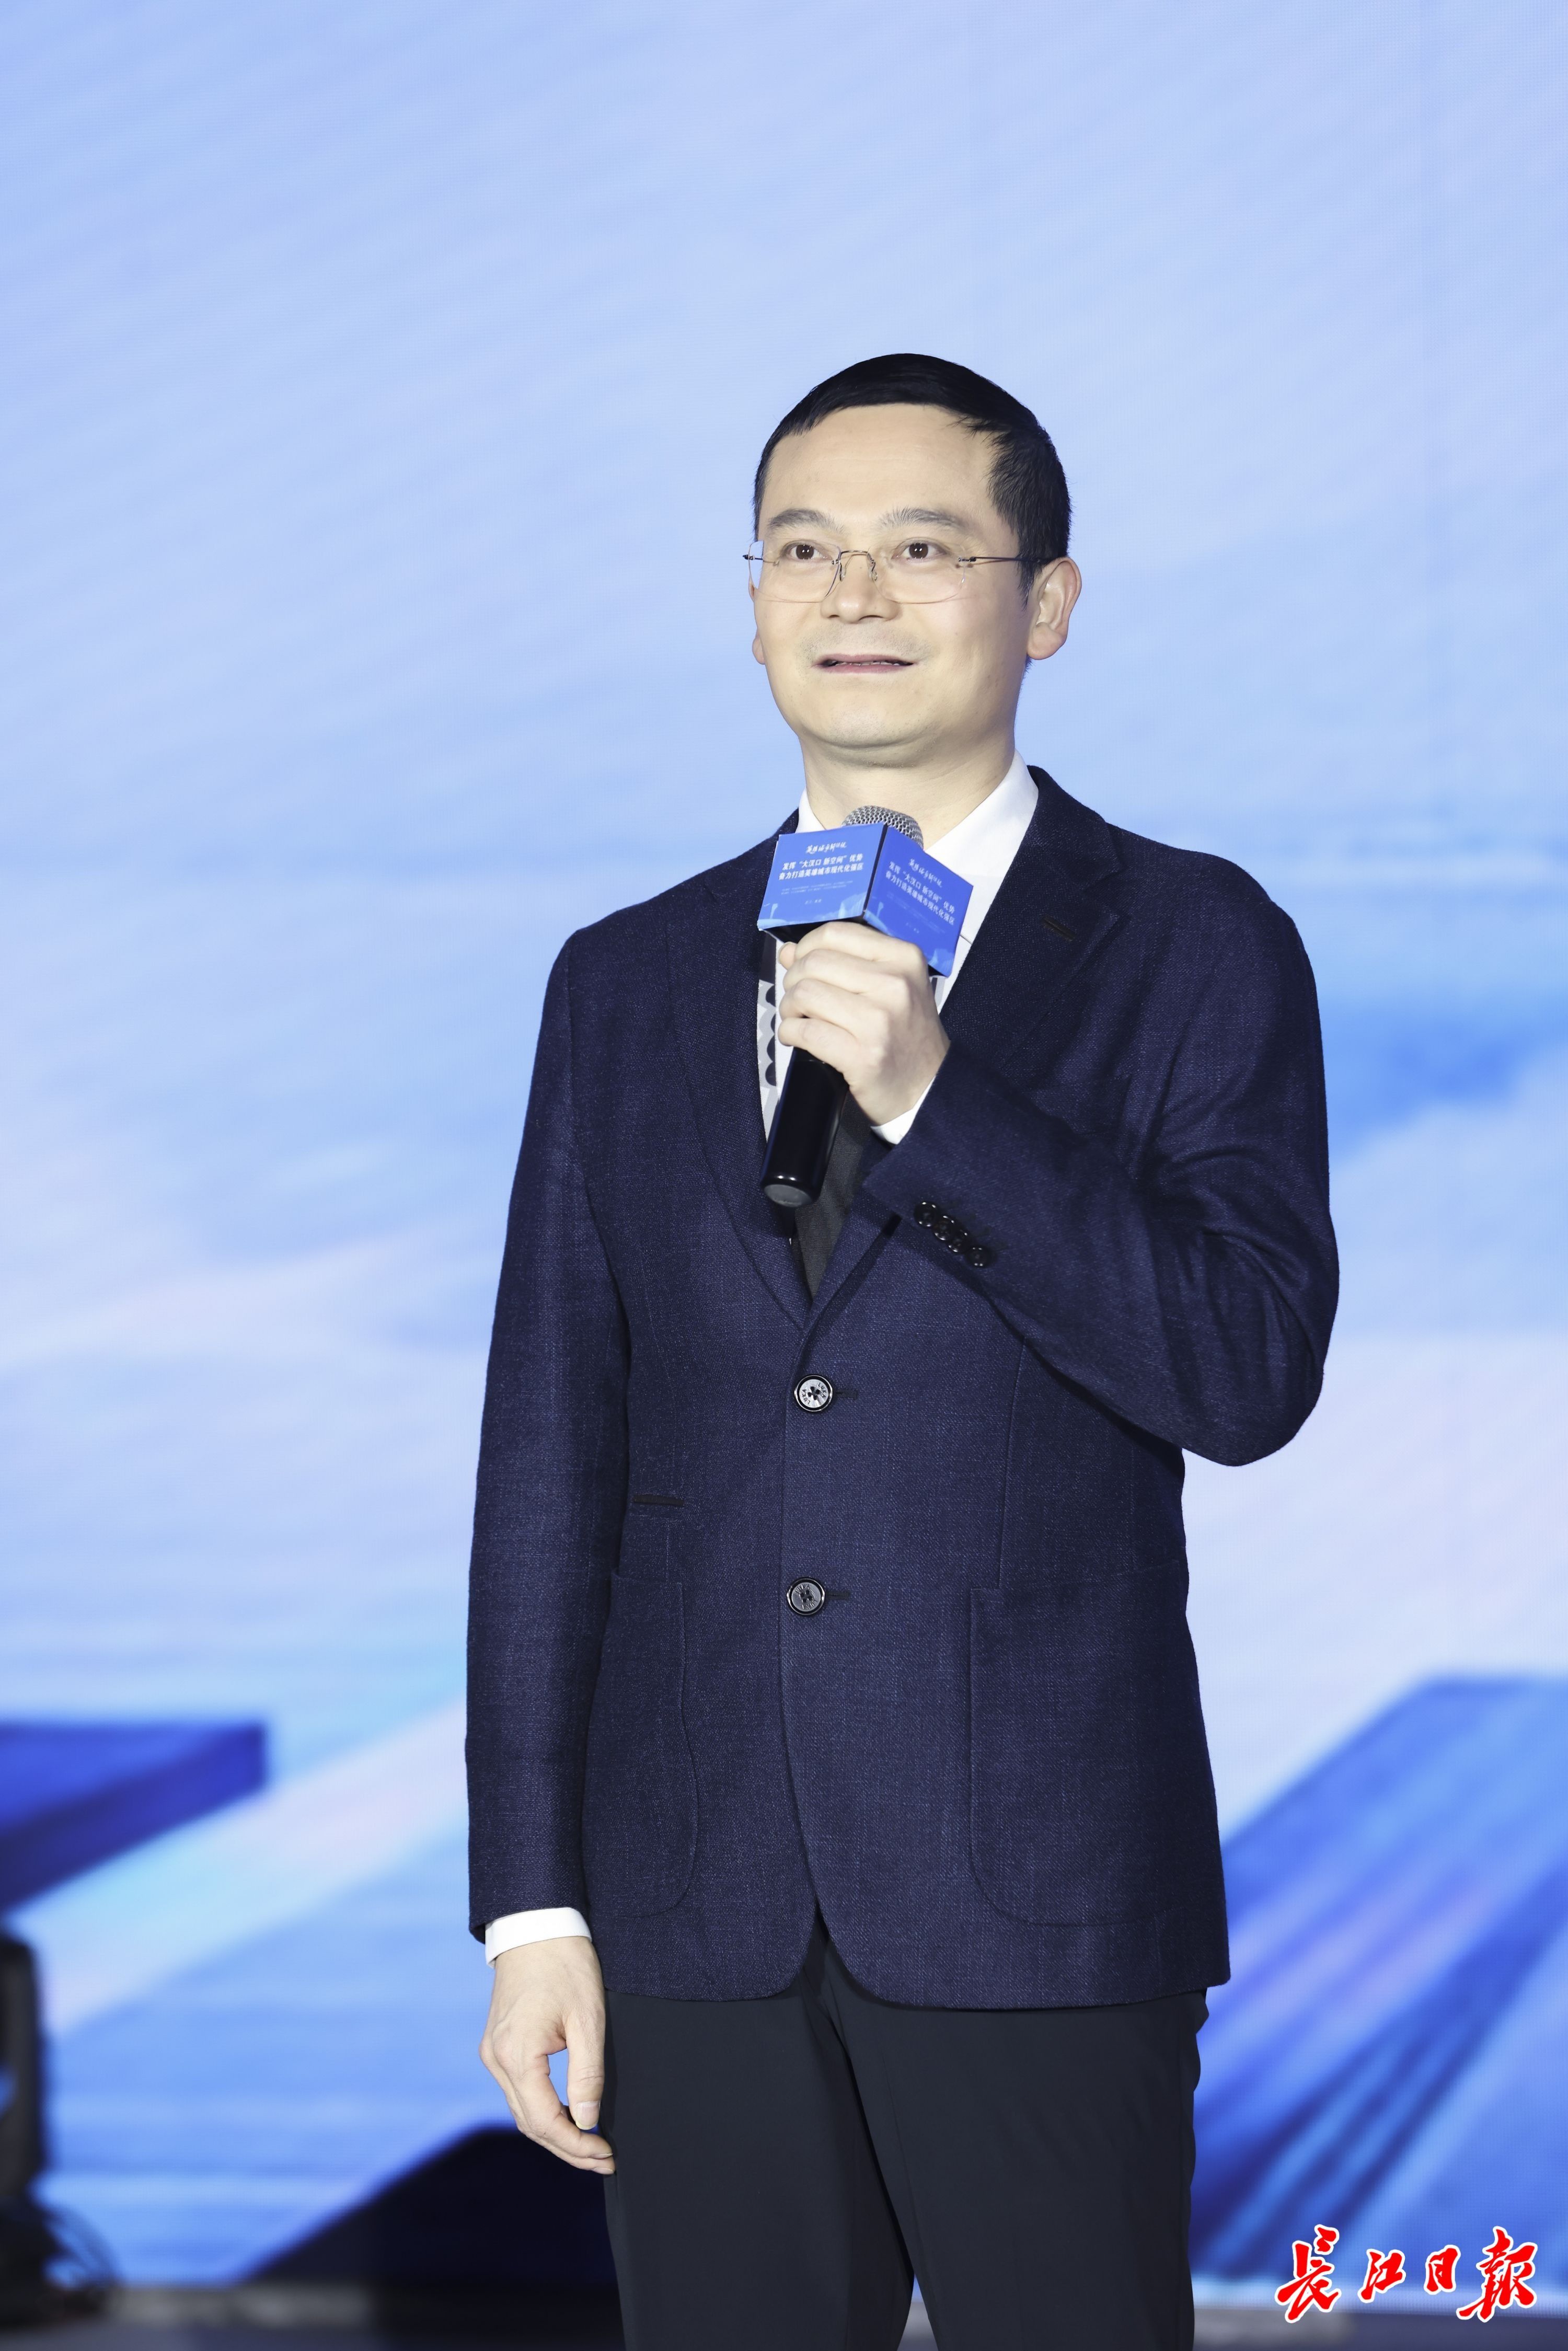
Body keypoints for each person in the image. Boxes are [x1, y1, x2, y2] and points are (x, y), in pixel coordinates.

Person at [466, 354, 1338, 2351]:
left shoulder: (1194, 940)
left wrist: (941, 1100)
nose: (852, 595)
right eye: (802, 551)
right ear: (753, 602)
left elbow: (1244, 1368)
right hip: (689, 1902)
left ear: (1048, 603)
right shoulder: (624, 979)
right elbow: (549, 1460)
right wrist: (532, 1902)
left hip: (1036, 1884)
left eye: (922, 548)